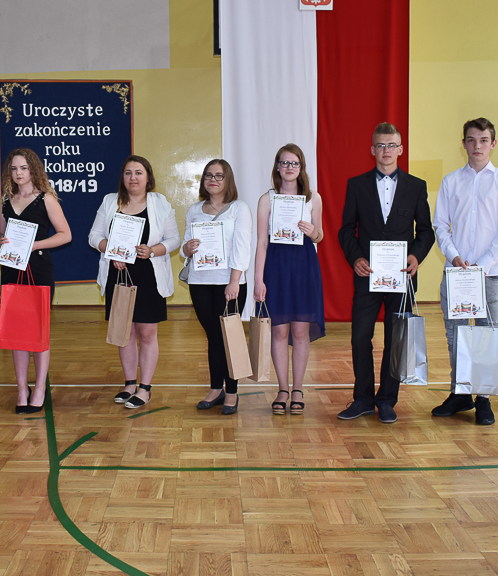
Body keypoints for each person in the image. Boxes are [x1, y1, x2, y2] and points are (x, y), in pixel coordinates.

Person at [337, 123, 434, 424]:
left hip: (402, 276)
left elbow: (426, 232)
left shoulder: (416, 186)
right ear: (372, 150)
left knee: (397, 339)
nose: (386, 151)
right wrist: (356, 258)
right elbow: (345, 230)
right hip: (368, 275)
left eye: (392, 145)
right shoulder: (356, 185)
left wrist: (416, 256)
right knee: (359, 337)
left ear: (400, 149)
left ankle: (387, 400)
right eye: (381, 145)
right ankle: (363, 399)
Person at [431, 118, 498, 425]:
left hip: (490, 274)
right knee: (455, 336)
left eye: (483, 140)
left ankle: (483, 399)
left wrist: (483, 264)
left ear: (493, 144)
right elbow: (440, 225)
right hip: (457, 273)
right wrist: (454, 256)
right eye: (471, 140)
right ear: (464, 144)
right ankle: (460, 393)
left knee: (485, 335)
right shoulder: (451, 182)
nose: (477, 145)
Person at [89, 155, 179, 410]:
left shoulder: (160, 203)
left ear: (148, 177)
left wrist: (152, 250)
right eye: (128, 173)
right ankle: (129, 384)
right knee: (124, 333)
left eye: (138, 172)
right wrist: (111, 251)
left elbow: (174, 239)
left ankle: (145, 388)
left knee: (147, 333)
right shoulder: (110, 201)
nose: (133, 178)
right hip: (118, 275)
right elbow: (94, 236)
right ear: (123, 178)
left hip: (149, 275)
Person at [253, 144, 326, 415]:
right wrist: (258, 279)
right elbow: (261, 242)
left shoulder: (313, 198)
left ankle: (298, 388)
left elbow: (320, 237)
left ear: (301, 167)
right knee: (279, 330)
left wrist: (312, 231)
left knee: (300, 331)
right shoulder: (267, 199)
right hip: (276, 266)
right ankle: (282, 389)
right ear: (277, 167)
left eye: (294, 163)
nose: (289, 168)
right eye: (284, 163)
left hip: (304, 266)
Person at [0, 148, 71, 413]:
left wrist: (34, 244)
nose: (18, 173)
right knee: (16, 333)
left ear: (34, 170)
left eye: (24, 168)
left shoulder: (46, 199)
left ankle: (39, 388)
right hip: (12, 270)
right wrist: (2, 241)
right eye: (14, 169)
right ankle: (22, 388)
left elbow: (65, 234)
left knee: (38, 331)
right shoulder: (5, 200)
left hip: (38, 270)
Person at [180, 159, 252, 415]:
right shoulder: (194, 210)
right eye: (209, 175)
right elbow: (185, 246)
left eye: (219, 176)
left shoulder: (239, 208)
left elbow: (243, 246)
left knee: (228, 337)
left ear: (227, 180)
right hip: (200, 282)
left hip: (228, 283)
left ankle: (231, 391)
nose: (213, 180)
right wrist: (187, 248)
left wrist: (234, 280)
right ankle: (215, 389)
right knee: (213, 336)